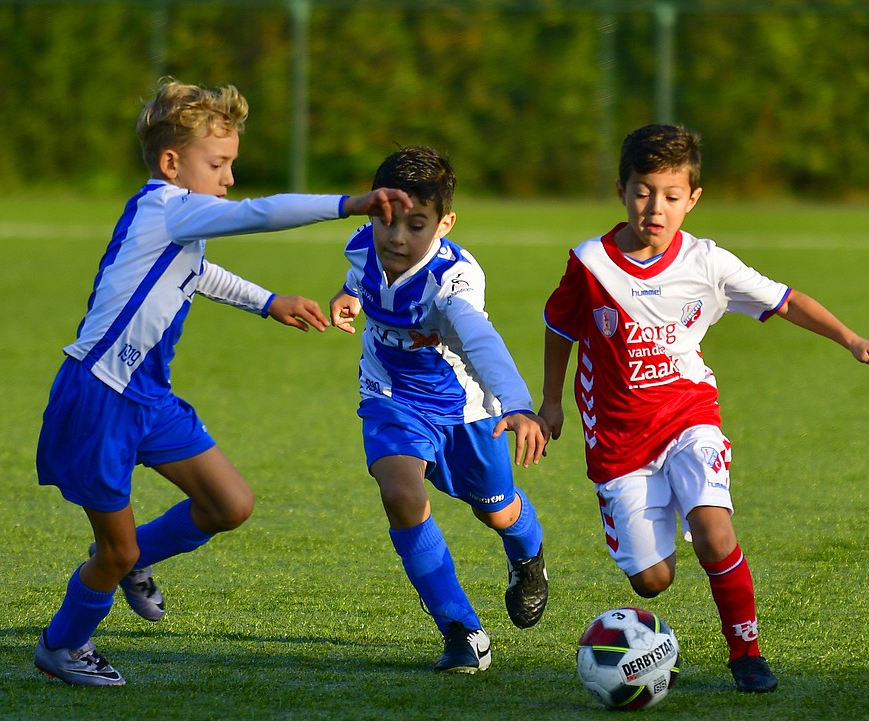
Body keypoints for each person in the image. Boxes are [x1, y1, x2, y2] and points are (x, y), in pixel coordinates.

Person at [32, 78, 412, 687]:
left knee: (228, 504)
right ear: (171, 163)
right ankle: (62, 646)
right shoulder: (164, 206)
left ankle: (131, 562)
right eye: (219, 163)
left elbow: (197, 273)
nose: (229, 177)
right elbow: (256, 214)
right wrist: (350, 203)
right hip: (100, 396)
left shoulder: (176, 220)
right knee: (116, 550)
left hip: (147, 396)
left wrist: (268, 302)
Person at [539, 124, 869, 693]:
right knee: (652, 581)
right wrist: (550, 403)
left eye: (671, 195)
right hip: (617, 440)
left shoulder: (708, 263)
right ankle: (653, 602)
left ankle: (746, 651)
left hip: (689, 418)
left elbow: (786, 300)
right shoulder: (591, 263)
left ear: (693, 199)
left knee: (714, 532)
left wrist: (854, 340)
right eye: (642, 190)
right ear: (621, 190)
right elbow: (559, 324)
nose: (654, 207)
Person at [329, 146, 550, 674]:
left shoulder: (454, 282)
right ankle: (461, 630)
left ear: (444, 224)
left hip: (468, 409)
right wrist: (348, 298)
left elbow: (480, 339)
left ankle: (528, 558)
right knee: (401, 494)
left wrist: (518, 405)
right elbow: (361, 278)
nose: (397, 238)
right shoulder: (361, 246)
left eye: (417, 224)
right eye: (387, 221)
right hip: (390, 397)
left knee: (497, 510)